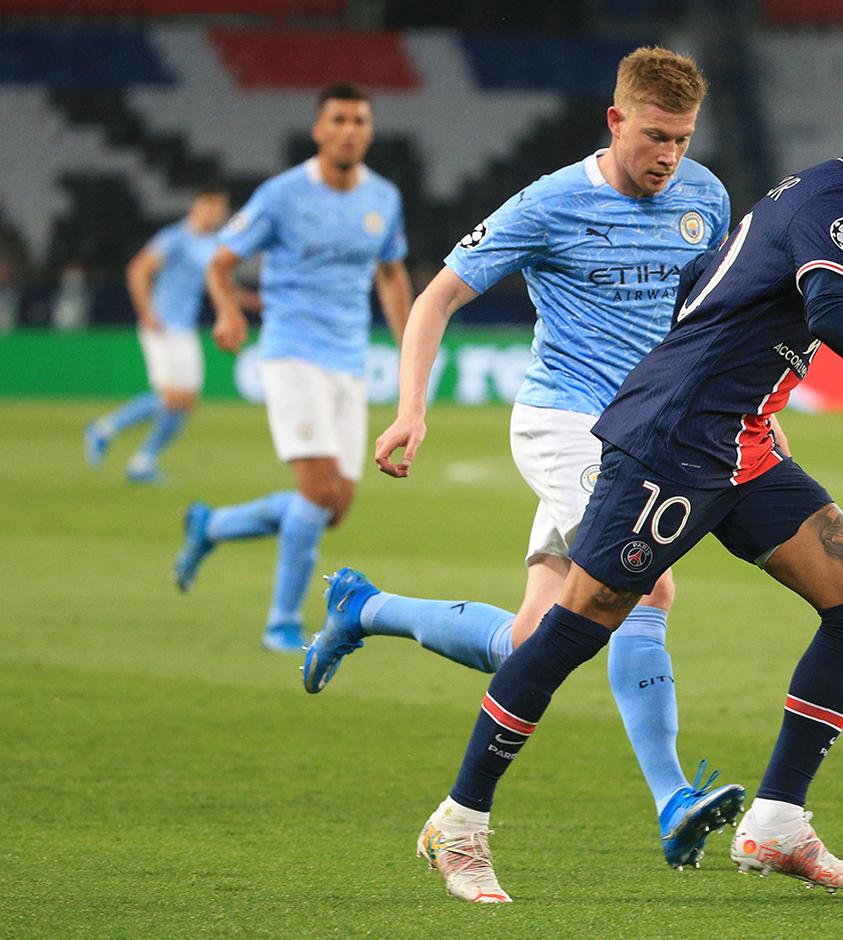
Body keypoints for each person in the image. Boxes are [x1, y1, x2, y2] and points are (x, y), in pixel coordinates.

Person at [401, 85, 843, 903]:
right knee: (572, 630)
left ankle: (775, 825)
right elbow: (832, 311)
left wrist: (747, 379)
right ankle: (458, 824)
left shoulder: (807, 197)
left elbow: (708, 279)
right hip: (673, 448)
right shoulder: (834, 204)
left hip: (745, 448)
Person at [303, 47, 749, 871]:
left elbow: (707, 314)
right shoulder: (549, 203)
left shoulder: (705, 197)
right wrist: (411, 410)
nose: (669, 157)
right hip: (565, 421)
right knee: (642, 574)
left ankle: (365, 610)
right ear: (616, 120)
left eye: (682, 140)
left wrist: (744, 404)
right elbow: (437, 297)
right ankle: (673, 798)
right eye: (655, 136)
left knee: (533, 641)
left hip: (648, 429)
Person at [171, 82, 413, 652]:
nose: (350, 129)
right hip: (291, 353)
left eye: (360, 120)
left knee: (332, 508)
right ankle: (281, 621)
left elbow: (391, 273)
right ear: (319, 130)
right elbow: (221, 263)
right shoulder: (281, 195)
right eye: (339, 119)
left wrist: (410, 347)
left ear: (369, 130)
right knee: (319, 487)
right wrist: (229, 311)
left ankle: (212, 526)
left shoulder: (383, 197)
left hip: (350, 362)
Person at [85, 185, 230, 483]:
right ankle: (104, 429)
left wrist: (247, 301)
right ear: (196, 207)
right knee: (173, 396)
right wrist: (146, 311)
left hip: (184, 327)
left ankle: (142, 462)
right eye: (208, 206)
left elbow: (219, 285)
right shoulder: (175, 238)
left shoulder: (213, 244)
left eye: (219, 210)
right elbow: (138, 269)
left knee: (186, 400)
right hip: (162, 325)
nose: (213, 214)